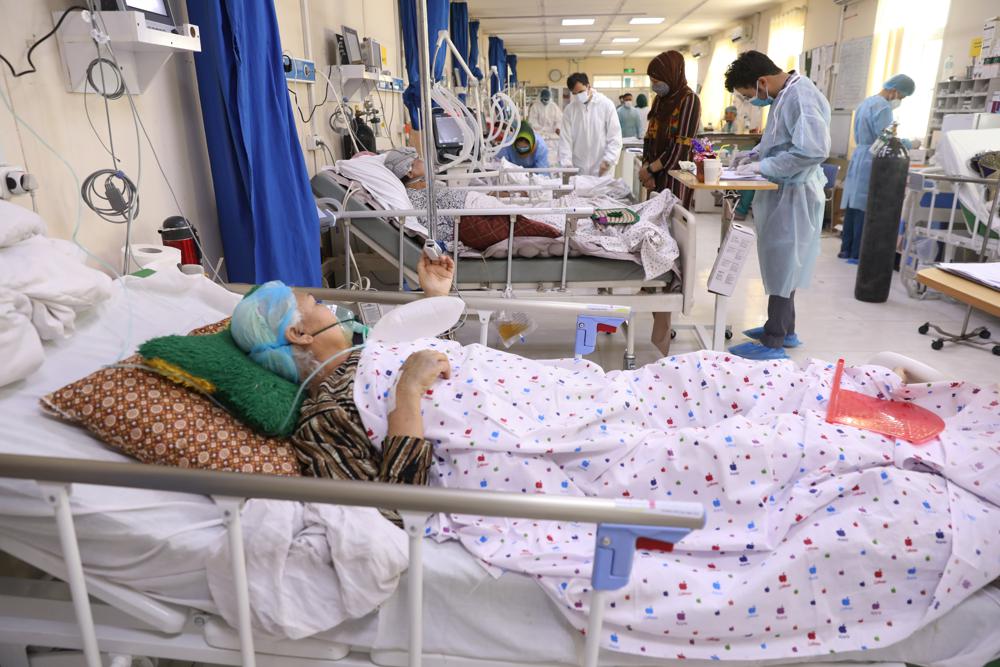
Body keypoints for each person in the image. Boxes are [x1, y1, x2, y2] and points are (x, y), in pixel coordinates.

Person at [724, 50, 831, 361]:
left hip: (794, 194)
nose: (751, 100)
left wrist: (765, 167)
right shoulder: (784, 95)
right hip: (782, 191)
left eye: (748, 94)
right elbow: (777, 139)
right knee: (782, 263)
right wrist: (754, 155)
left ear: (761, 81)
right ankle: (786, 328)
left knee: (785, 263)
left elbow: (811, 151)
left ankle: (774, 340)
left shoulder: (801, 96)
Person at [839, 74, 915, 263]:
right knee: (865, 206)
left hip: (859, 155)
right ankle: (858, 253)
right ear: (895, 91)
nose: (900, 100)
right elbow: (885, 138)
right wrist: (908, 143)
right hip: (871, 158)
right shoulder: (883, 107)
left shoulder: (866, 103)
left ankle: (846, 249)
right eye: (902, 96)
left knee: (853, 205)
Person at [637, 51, 701, 209]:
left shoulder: (689, 100)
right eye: (652, 81)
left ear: (670, 75)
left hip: (675, 176)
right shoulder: (659, 100)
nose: (654, 85)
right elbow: (649, 136)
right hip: (654, 174)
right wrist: (646, 168)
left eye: (656, 80)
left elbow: (681, 146)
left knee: (671, 225)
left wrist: (651, 170)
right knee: (651, 224)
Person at [558, 72, 623, 176]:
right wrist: (567, 165)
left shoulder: (606, 105)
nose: (578, 96)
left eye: (581, 92)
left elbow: (615, 136)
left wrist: (608, 160)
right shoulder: (570, 110)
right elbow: (565, 140)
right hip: (578, 167)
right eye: (575, 94)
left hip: (602, 166)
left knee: (602, 191)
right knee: (578, 192)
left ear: (588, 86)